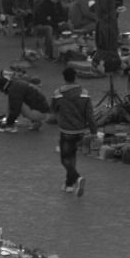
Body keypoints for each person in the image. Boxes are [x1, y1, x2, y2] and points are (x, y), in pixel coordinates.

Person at [51, 66, 97, 196]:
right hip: (80, 131)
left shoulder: (58, 94)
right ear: (75, 77)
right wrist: (94, 132)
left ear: (64, 78)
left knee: (65, 158)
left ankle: (77, 178)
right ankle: (69, 184)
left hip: (66, 130)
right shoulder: (84, 94)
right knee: (73, 156)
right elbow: (90, 116)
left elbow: (53, 110)